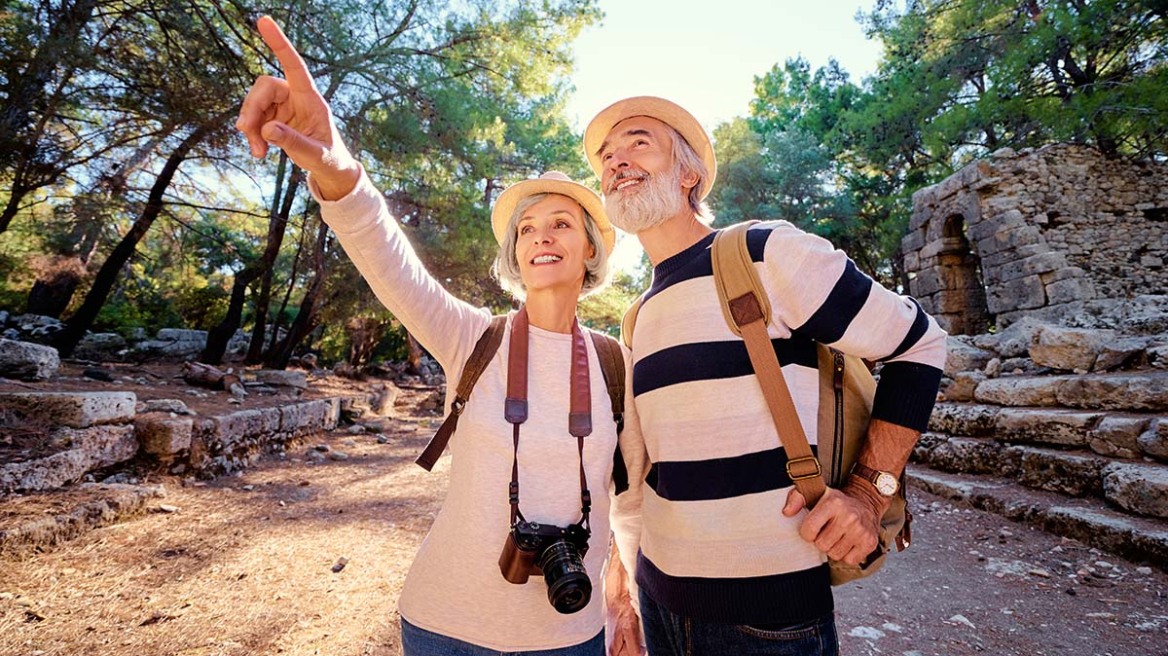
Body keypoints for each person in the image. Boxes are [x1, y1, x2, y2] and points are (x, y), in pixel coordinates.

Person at [236, 17, 643, 656]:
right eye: (528, 227)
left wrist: (624, 595)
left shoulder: (618, 364)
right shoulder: (472, 338)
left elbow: (631, 498)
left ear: (589, 248)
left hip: (571, 632)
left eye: (561, 223)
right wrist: (336, 162)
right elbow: (386, 257)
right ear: (514, 254)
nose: (542, 235)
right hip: (445, 626)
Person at [586, 97, 948, 656]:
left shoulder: (762, 253)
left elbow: (919, 344)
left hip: (768, 619)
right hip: (659, 603)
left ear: (690, 174)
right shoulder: (638, 315)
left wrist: (870, 494)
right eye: (606, 156)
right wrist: (626, 595)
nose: (616, 161)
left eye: (638, 142)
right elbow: (641, 479)